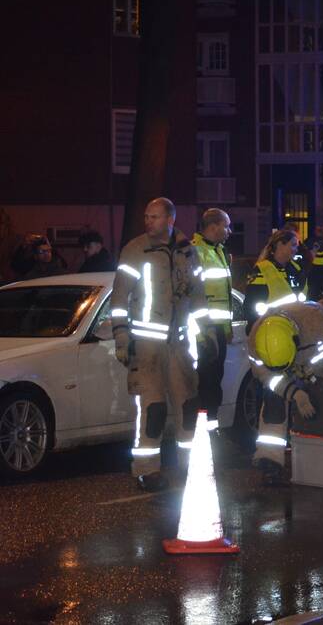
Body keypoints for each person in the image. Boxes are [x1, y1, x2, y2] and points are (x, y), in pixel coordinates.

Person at [110, 197, 206, 491]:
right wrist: (122, 336)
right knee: (153, 410)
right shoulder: (136, 250)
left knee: (187, 407)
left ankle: (191, 467)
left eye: (154, 217)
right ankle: (147, 470)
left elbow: (198, 295)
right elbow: (119, 298)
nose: (147, 221)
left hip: (178, 343)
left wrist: (204, 334)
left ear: (170, 220)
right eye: (146, 216)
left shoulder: (188, 252)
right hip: (147, 346)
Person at [248, 300, 323, 485]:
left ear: (295, 340)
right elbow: (270, 378)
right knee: (273, 401)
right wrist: (296, 394)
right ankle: (270, 459)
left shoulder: (316, 322)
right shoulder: (255, 343)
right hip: (287, 374)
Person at [191, 209, 233, 423]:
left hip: (216, 330)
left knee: (214, 383)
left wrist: (226, 330)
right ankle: (201, 431)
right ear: (213, 226)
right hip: (203, 332)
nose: (229, 231)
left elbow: (222, 298)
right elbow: (193, 297)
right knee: (205, 385)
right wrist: (203, 335)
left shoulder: (219, 252)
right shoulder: (196, 253)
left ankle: (211, 430)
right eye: (226, 225)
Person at [243, 229, 307, 331]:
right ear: (280, 245)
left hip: (294, 328)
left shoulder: (297, 269)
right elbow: (251, 307)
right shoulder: (262, 270)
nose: (296, 249)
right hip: (269, 329)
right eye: (293, 245)